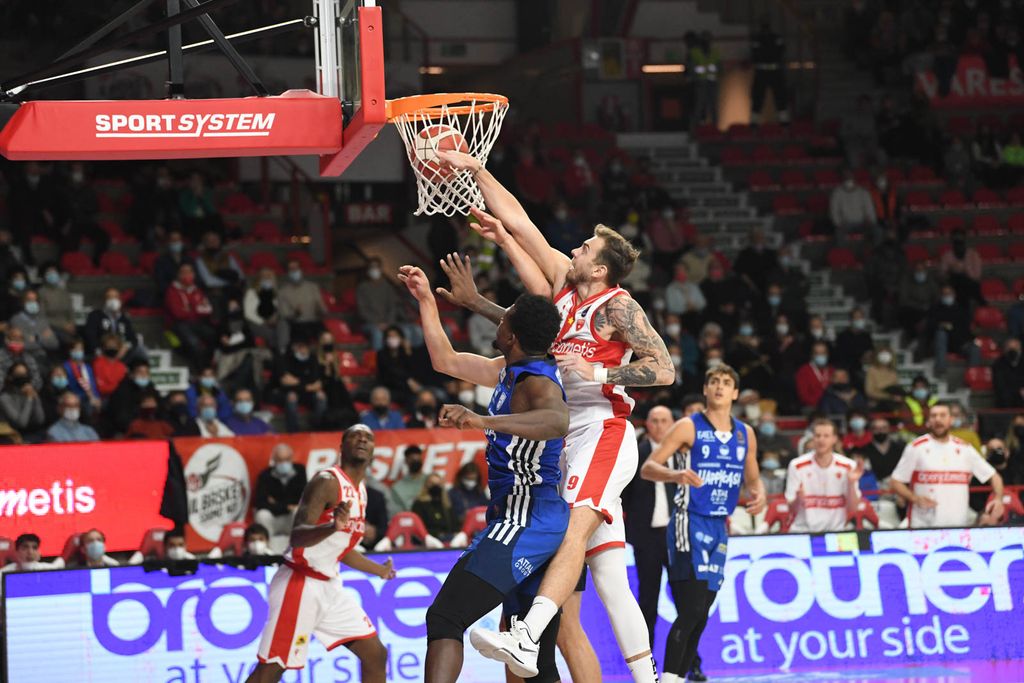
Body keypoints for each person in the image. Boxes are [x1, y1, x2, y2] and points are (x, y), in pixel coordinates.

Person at [436, 204, 672, 680]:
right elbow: (522, 317)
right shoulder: (564, 300)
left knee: (569, 538)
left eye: (584, 248)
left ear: (599, 269)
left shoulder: (617, 306)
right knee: (608, 576)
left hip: (602, 430)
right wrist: (478, 178)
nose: (574, 250)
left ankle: (527, 635)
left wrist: (599, 371)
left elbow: (664, 369)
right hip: (566, 441)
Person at [397, 264, 570, 683]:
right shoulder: (508, 369)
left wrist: (481, 420)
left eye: (506, 318)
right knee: (535, 663)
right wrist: (427, 300)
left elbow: (557, 421)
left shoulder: (536, 382)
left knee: (445, 616)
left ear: (511, 336)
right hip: (528, 517)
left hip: (526, 519)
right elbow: (445, 360)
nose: (500, 319)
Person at [640, 364, 767, 682]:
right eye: (714, 382)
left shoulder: (745, 434)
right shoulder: (688, 426)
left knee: (701, 615)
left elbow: (753, 478)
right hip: (688, 521)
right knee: (693, 609)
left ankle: (677, 677)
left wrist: (760, 495)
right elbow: (648, 468)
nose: (720, 386)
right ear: (706, 389)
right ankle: (668, 678)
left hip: (719, 526)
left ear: (735, 393)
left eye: (726, 382)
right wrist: (676, 474)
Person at [246, 425, 394, 683]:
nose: (362, 439)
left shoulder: (361, 491)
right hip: (300, 583)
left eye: (368, 437)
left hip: (329, 586)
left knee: (375, 654)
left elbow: (341, 549)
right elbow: (297, 536)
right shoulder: (326, 482)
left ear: (373, 451)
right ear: (341, 447)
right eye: (355, 435)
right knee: (270, 671)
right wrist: (331, 526)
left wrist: (378, 570)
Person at [890, 402, 1005, 528]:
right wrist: (914, 498)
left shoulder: (965, 449)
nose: (938, 419)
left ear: (951, 420)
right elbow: (895, 481)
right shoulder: (916, 447)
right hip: (923, 526)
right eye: (934, 416)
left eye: (942, 415)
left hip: (958, 525)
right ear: (928, 421)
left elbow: (994, 477)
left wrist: (998, 499)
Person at [621, 405, 675, 652]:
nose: (660, 425)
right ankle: (647, 659)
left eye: (664, 420)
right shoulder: (636, 453)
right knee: (648, 599)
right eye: (655, 421)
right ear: (647, 424)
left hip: (677, 538)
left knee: (685, 602)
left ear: (673, 424)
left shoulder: (682, 452)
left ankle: (691, 662)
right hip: (648, 538)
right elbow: (624, 495)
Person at [785, 418, 864, 533]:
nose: (821, 440)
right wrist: (798, 499)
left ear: (834, 439)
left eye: (826, 436)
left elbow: (853, 509)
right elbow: (791, 509)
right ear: (813, 438)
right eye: (818, 436)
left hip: (837, 531)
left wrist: (851, 483)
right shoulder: (796, 465)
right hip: (803, 531)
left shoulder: (848, 466)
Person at [254, 443, 308, 547]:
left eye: (286, 459)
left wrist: (275, 503)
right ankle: (266, 549)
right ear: (273, 460)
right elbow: (260, 503)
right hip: (273, 519)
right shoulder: (265, 475)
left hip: (291, 519)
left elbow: (303, 498)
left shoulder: (300, 471)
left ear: (292, 458)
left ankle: (298, 548)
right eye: (280, 460)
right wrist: (287, 506)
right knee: (262, 514)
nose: (283, 463)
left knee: (299, 511)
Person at [164, 263, 216, 368]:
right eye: (184, 272)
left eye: (190, 272)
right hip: (178, 324)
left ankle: (208, 366)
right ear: (178, 275)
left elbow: (208, 310)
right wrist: (197, 309)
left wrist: (192, 308)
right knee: (194, 343)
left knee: (214, 336)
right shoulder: (172, 291)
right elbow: (178, 314)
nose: (188, 275)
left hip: (197, 322)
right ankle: (201, 370)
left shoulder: (197, 290)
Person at [274, 338, 327, 433]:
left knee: (321, 396)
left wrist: (298, 382)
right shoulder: (287, 359)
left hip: (307, 393)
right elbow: (285, 382)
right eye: (299, 347)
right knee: (291, 397)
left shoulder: (313, 359)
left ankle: (317, 427)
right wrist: (307, 385)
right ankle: (293, 432)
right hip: (290, 391)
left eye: (304, 347)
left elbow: (316, 382)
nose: (302, 350)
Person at [925, 284, 980, 375]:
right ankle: (940, 371)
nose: (947, 296)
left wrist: (952, 328)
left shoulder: (961, 310)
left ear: (954, 295)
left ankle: (973, 376)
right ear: (941, 296)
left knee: (975, 349)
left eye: (949, 294)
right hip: (941, 344)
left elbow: (965, 330)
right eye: (945, 294)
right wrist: (941, 325)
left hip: (959, 343)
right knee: (941, 334)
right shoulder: (935, 309)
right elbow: (929, 326)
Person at [83, 287, 146, 364]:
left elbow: (133, 338)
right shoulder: (95, 315)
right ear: (105, 300)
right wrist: (99, 352)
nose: (113, 300)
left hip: (120, 353)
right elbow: (90, 335)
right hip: (102, 352)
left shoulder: (124, 318)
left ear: (120, 300)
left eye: (115, 297)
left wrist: (125, 347)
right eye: (109, 297)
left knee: (141, 349)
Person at [277, 258, 328, 346]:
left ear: (301, 270)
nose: (294, 271)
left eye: (296, 268)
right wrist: (295, 313)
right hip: (297, 324)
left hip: (314, 322)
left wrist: (319, 310)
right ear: (288, 272)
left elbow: (323, 310)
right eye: (291, 269)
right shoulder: (283, 292)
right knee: (301, 340)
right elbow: (284, 314)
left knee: (327, 338)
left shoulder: (313, 287)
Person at [749, 15, 790, 124]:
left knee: (780, 95)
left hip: (774, 70)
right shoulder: (757, 38)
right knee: (757, 96)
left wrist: (767, 55)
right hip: (762, 71)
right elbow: (755, 54)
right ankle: (754, 121)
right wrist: (770, 55)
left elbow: (781, 51)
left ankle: (783, 120)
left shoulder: (776, 37)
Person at [106, 359, 160, 437]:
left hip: (149, 428)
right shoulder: (122, 391)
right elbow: (121, 418)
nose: (144, 375)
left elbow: (160, 409)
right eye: (140, 372)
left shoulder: (150, 388)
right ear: (131, 374)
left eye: (146, 373)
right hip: (126, 431)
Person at [829, 169, 877, 244]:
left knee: (876, 231)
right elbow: (834, 211)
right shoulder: (837, 193)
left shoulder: (864, 192)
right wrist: (838, 223)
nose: (849, 179)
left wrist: (871, 221)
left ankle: (872, 250)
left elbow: (870, 210)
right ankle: (843, 250)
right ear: (843, 179)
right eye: (846, 177)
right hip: (845, 224)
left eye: (850, 177)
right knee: (838, 233)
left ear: (855, 178)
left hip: (862, 223)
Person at [10, 289, 58, 363]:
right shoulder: (16, 320)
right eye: (29, 300)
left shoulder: (43, 320)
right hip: (23, 359)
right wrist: (43, 337)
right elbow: (23, 345)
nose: (32, 303)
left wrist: (35, 338)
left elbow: (54, 344)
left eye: (35, 300)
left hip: (43, 358)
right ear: (23, 302)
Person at [0, 362, 45, 441]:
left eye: (24, 374)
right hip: (11, 436)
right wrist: (29, 399)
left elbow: (40, 420)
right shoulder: (4, 398)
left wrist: (36, 398)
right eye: (18, 374)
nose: (23, 377)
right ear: (10, 377)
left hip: (34, 434)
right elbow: (21, 423)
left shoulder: (29, 392)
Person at [243, 266, 284, 351]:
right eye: (264, 276)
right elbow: (248, 313)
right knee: (272, 334)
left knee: (283, 329)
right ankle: (276, 353)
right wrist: (263, 322)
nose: (266, 278)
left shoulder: (275, 293)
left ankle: (283, 350)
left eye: (269, 276)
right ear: (259, 278)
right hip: (257, 322)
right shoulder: (252, 292)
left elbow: (278, 309)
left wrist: (274, 318)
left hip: (272, 321)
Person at [411, 473, 459, 543]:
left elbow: (455, 525)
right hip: (428, 542)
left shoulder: (446, 505)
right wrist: (438, 534)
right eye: (432, 484)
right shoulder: (419, 504)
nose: (435, 487)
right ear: (426, 485)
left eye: (438, 484)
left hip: (449, 541)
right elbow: (417, 528)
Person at [37, 262, 75, 348]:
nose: (52, 275)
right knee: (66, 341)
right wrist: (63, 326)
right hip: (52, 327)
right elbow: (42, 316)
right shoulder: (41, 293)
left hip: (68, 326)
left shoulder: (63, 291)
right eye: (49, 273)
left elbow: (71, 310)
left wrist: (72, 324)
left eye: (54, 272)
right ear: (44, 276)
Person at [862, 417, 906, 483]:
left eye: (884, 428)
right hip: (874, 486)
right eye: (876, 428)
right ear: (871, 430)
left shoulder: (900, 448)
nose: (880, 431)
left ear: (889, 429)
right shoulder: (864, 450)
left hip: (898, 484)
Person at [448, 462, 489, 526]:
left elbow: (486, 509)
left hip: (480, 525)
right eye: (468, 479)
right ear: (461, 477)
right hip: (461, 526)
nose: (471, 481)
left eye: (473, 479)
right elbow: (451, 514)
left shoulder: (480, 492)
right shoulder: (453, 493)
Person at [795, 342, 834, 409]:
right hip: (812, 407)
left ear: (827, 354)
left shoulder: (832, 370)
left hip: (831, 407)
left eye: (823, 353)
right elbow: (804, 397)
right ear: (812, 355)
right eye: (817, 353)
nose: (820, 356)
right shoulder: (803, 371)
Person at [389, 445, 427, 512]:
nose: (415, 461)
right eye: (412, 459)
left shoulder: (430, 481)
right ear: (406, 461)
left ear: (421, 460)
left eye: (417, 459)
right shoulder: (397, 488)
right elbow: (396, 513)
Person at [993, 338, 1024, 408]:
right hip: (1006, 400)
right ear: (1005, 349)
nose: (1013, 351)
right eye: (1010, 348)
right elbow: (1000, 386)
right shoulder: (998, 364)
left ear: (1020, 349)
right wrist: (1018, 391)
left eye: (1015, 348)